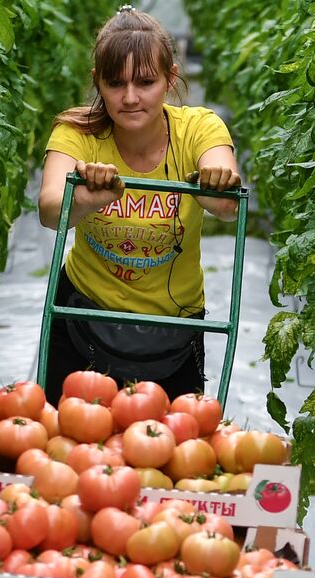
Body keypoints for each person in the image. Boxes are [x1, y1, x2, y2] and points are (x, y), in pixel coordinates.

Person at [37, 5, 242, 404]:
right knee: (65, 439)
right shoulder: (77, 133)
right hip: (84, 315)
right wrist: (82, 196)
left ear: (170, 79)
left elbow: (225, 200)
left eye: (145, 82)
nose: (130, 98)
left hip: (173, 325)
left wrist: (213, 184)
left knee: (171, 449)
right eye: (115, 84)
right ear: (98, 82)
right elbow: (49, 210)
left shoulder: (199, 128)